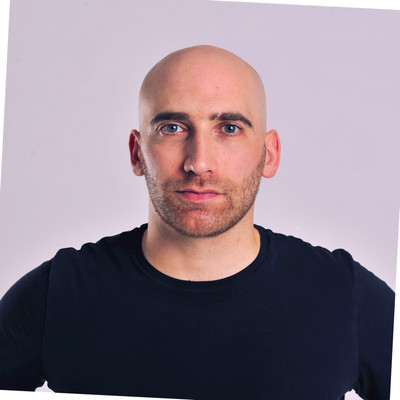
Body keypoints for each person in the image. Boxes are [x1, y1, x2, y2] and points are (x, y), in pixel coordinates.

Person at [0, 45, 394, 400]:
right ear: (137, 153)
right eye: (172, 128)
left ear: (269, 154)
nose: (199, 162)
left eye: (229, 128)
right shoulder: (58, 292)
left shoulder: (343, 294)